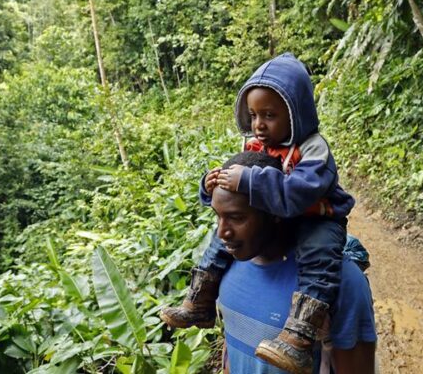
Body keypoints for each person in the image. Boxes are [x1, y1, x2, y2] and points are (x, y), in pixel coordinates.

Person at [161, 53, 355, 373]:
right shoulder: (258, 146)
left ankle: (299, 336)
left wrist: (249, 180)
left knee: (318, 258)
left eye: (269, 115)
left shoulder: (313, 148)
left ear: (296, 114)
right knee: (220, 238)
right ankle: (200, 301)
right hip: (277, 214)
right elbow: (235, 195)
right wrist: (210, 185)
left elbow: (297, 193)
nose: (259, 125)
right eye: (253, 115)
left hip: (317, 216)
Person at [213, 152, 376, 374]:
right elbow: (233, 348)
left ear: (276, 211)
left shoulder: (342, 282)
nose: (222, 232)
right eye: (217, 216)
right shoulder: (226, 265)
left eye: (237, 218)